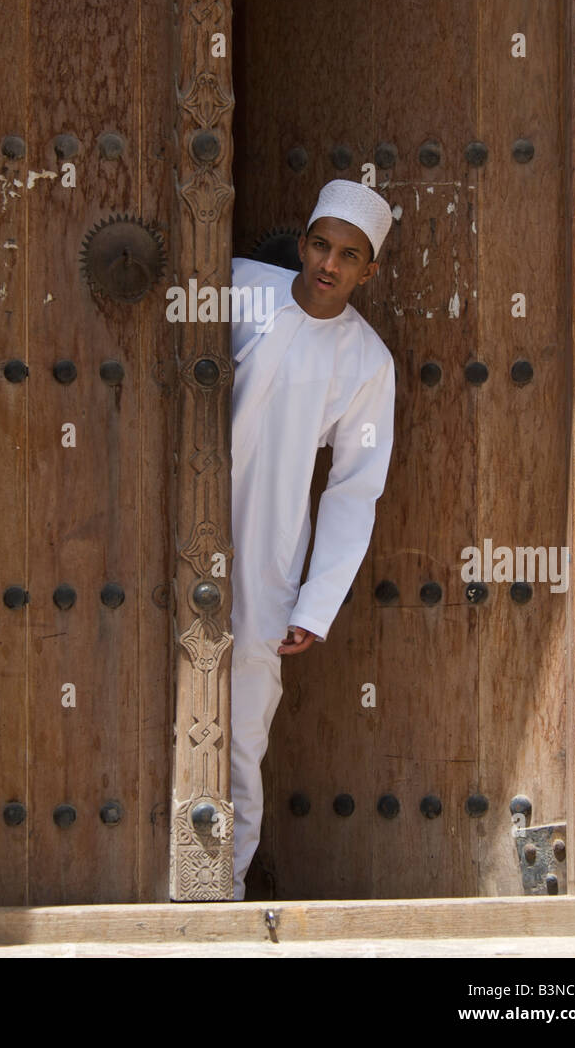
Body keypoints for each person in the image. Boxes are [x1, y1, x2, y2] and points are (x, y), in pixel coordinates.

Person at [229, 178, 396, 900]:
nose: (329, 264)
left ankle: (221, 888)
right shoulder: (238, 288)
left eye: (348, 255)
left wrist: (316, 601)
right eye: (321, 244)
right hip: (167, 529)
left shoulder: (367, 362)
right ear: (302, 244)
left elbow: (355, 486)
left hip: (267, 553)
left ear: (368, 271)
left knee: (242, 727)